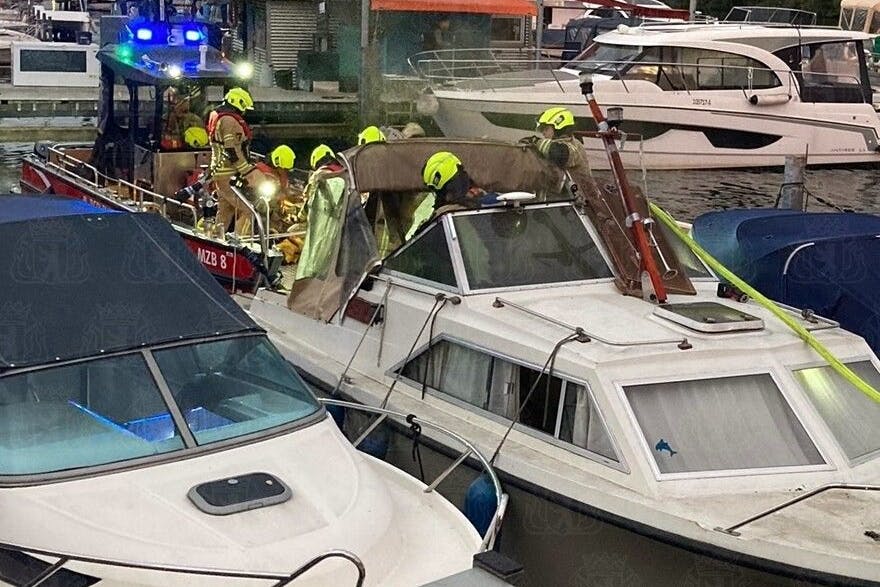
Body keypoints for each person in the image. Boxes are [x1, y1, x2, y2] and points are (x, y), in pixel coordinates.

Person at [207, 87, 256, 237]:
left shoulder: (217, 115)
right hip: (227, 173)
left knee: (226, 210)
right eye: (244, 108)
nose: (244, 112)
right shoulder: (228, 120)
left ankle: (216, 239)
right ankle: (239, 242)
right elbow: (232, 149)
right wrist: (246, 170)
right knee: (249, 211)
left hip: (220, 172)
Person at [524, 106, 598, 201]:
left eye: (546, 129)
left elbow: (560, 154)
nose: (543, 133)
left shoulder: (573, 145)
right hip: (563, 204)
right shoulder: (558, 144)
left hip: (581, 206)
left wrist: (536, 141)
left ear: (559, 127)